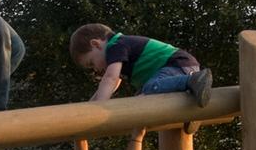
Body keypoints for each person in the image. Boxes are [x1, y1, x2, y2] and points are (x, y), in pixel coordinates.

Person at [68, 23, 214, 107]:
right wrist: (89, 106)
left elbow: (110, 79)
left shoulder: (116, 46)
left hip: (176, 65)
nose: (96, 69)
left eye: (91, 63)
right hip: (178, 69)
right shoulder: (118, 47)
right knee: (140, 98)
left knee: (150, 88)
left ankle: (193, 80)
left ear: (96, 44)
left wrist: (99, 106)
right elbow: (113, 83)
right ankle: (190, 109)